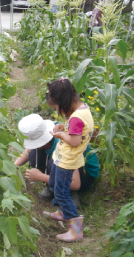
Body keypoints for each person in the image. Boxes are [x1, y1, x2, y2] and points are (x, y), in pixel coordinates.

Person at [43, 77, 94, 243]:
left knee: (61, 192)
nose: (58, 110)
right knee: (54, 182)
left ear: (64, 102)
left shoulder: (76, 118)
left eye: (57, 107)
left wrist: (60, 135)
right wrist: (63, 127)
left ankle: (76, 229)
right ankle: (63, 212)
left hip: (68, 160)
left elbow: (74, 140)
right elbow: (75, 131)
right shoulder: (82, 109)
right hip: (64, 157)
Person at [15, 114, 100, 206]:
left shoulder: (65, 145)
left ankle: (69, 194)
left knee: (55, 162)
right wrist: (13, 166)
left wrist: (41, 177)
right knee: (35, 153)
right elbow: (28, 150)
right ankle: (52, 186)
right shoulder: (50, 130)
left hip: (84, 175)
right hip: (68, 168)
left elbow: (76, 183)